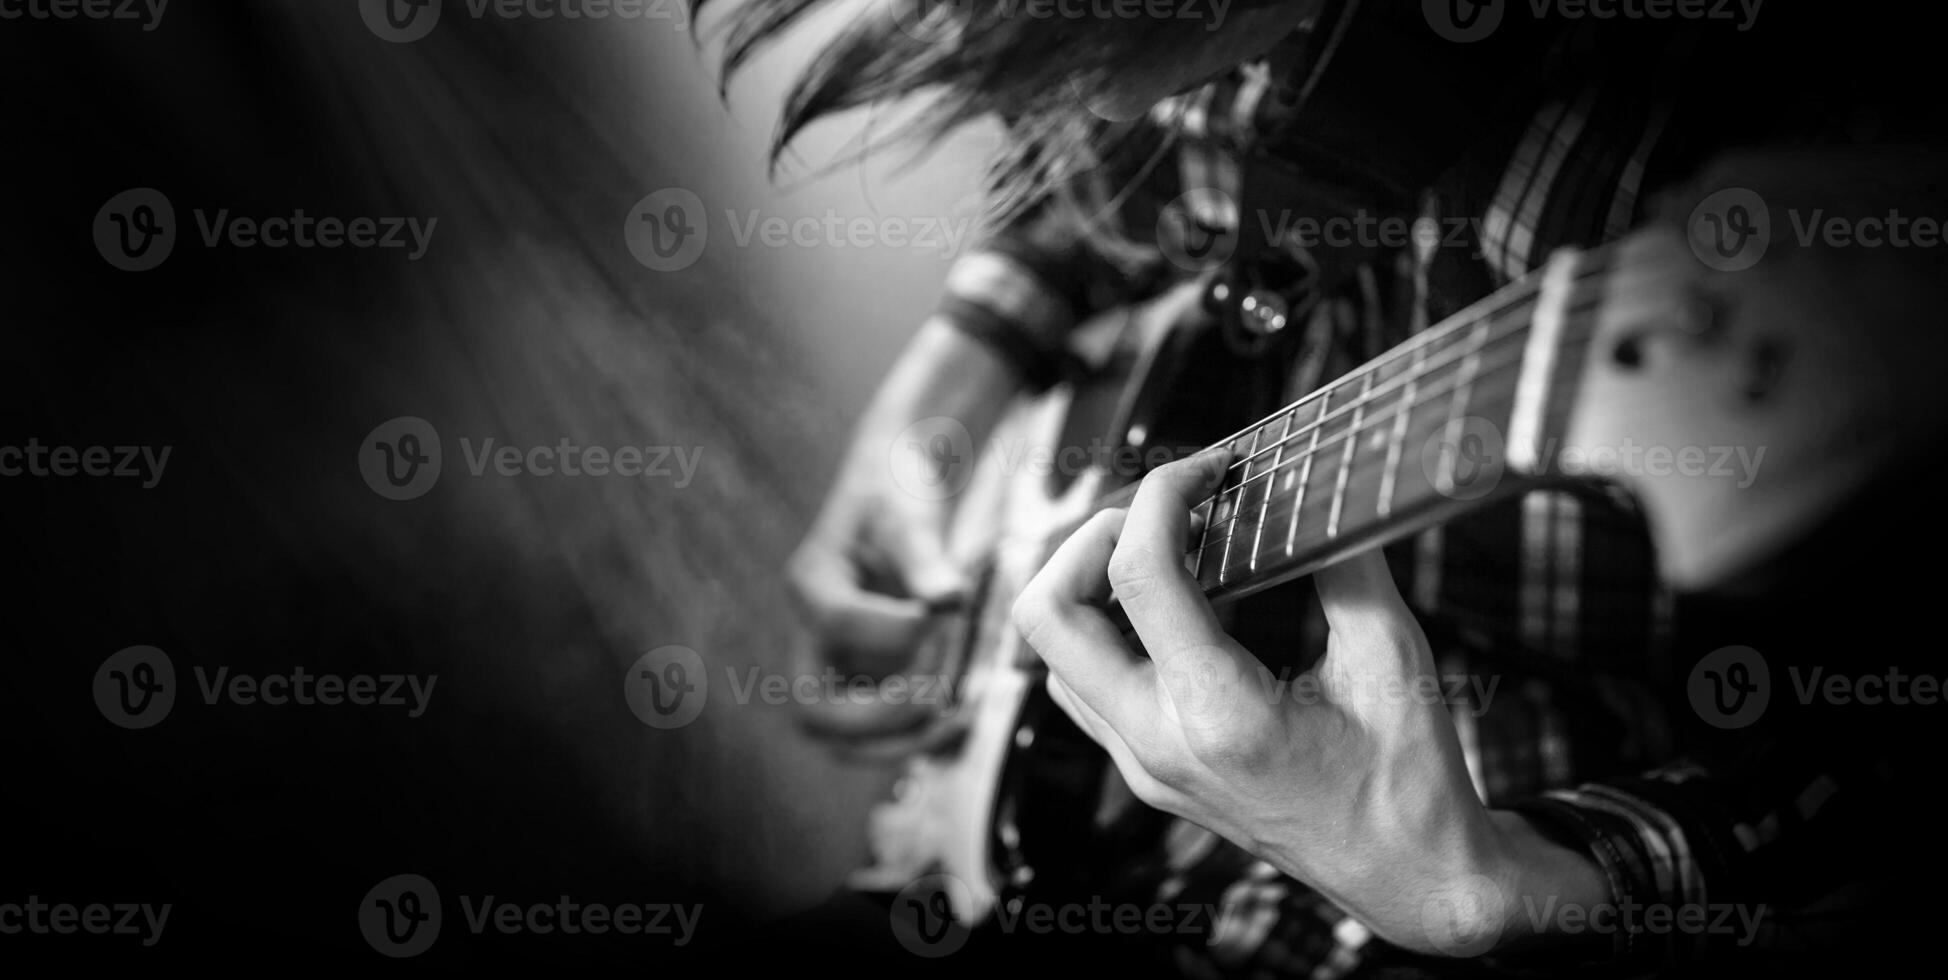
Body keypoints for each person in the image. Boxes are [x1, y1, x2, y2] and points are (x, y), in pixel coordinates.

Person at [706, 0, 1948, 973]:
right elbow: (1091, 186)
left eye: (1059, 32)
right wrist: (941, 392)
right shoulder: (1167, 45)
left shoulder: (1760, 104)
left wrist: (1526, 883)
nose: (1037, 91)